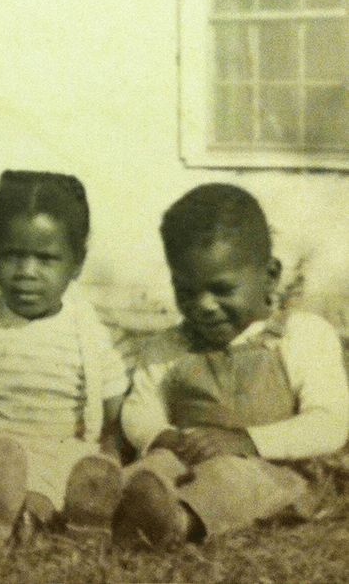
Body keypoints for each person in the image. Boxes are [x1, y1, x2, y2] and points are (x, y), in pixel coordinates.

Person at [115, 183, 349, 547]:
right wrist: (159, 436)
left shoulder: (301, 335)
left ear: (270, 275)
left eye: (222, 289)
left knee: (230, 481)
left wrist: (249, 441)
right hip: (187, 457)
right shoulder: (169, 346)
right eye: (187, 292)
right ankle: (107, 506)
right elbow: (139, 407)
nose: (204, 305)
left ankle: (177, 521)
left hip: (272, 469)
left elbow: (330, 422)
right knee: (153, 467)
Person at [0, 171, 129, 547]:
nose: (26, 272)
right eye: (12, 255)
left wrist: (110, 461)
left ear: (77, 263)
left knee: (73, 481)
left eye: (46, 258)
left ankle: (20, 518)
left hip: (61, 452)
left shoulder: (91, 329)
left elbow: (116, 417)